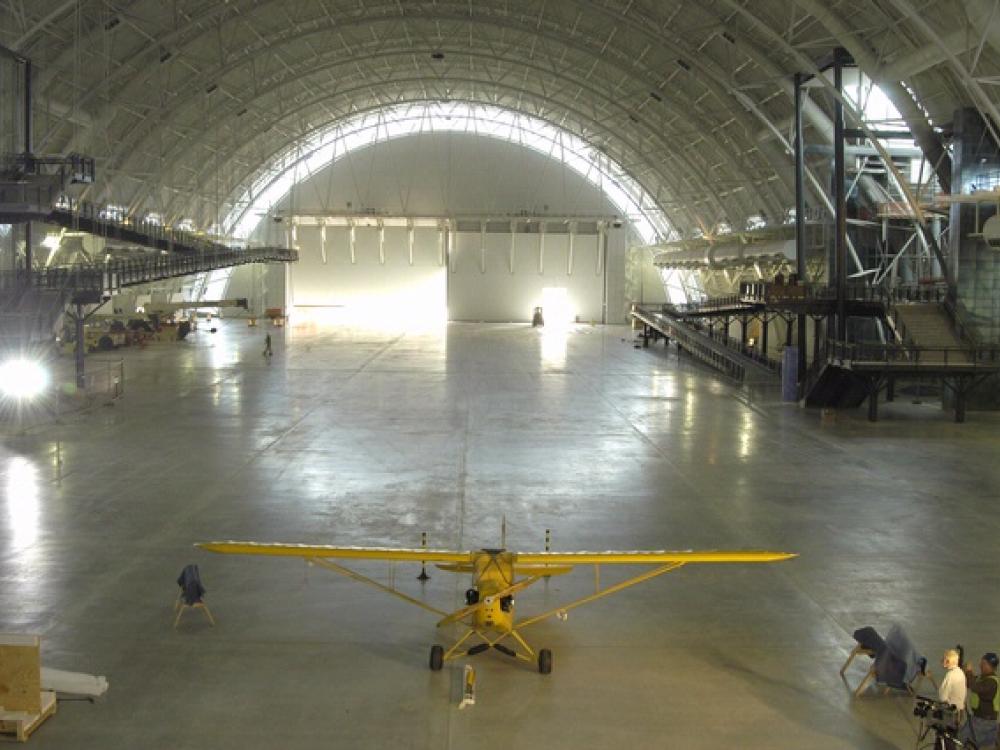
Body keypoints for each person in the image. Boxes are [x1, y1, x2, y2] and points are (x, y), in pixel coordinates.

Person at [960, 652, 1000, 749]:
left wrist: (969, 671)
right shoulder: (983, 678)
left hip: (985, 722)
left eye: (983, 664)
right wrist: (963, 671)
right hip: (978, 719)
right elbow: (970, 682)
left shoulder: (991, 682)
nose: (980, 665)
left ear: (990, 666)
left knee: (961, 739)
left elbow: (975, 687)